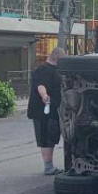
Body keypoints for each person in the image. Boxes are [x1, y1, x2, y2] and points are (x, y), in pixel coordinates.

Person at [27, 47, 65, 175]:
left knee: (51, 136)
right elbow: (41, 85)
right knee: (46, 137)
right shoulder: (44, 69)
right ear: (58, 58)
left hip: (51, 110)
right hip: (43, 110)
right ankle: (48, 167)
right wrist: (44, 96)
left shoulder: (54, 70)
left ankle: (49, 166)